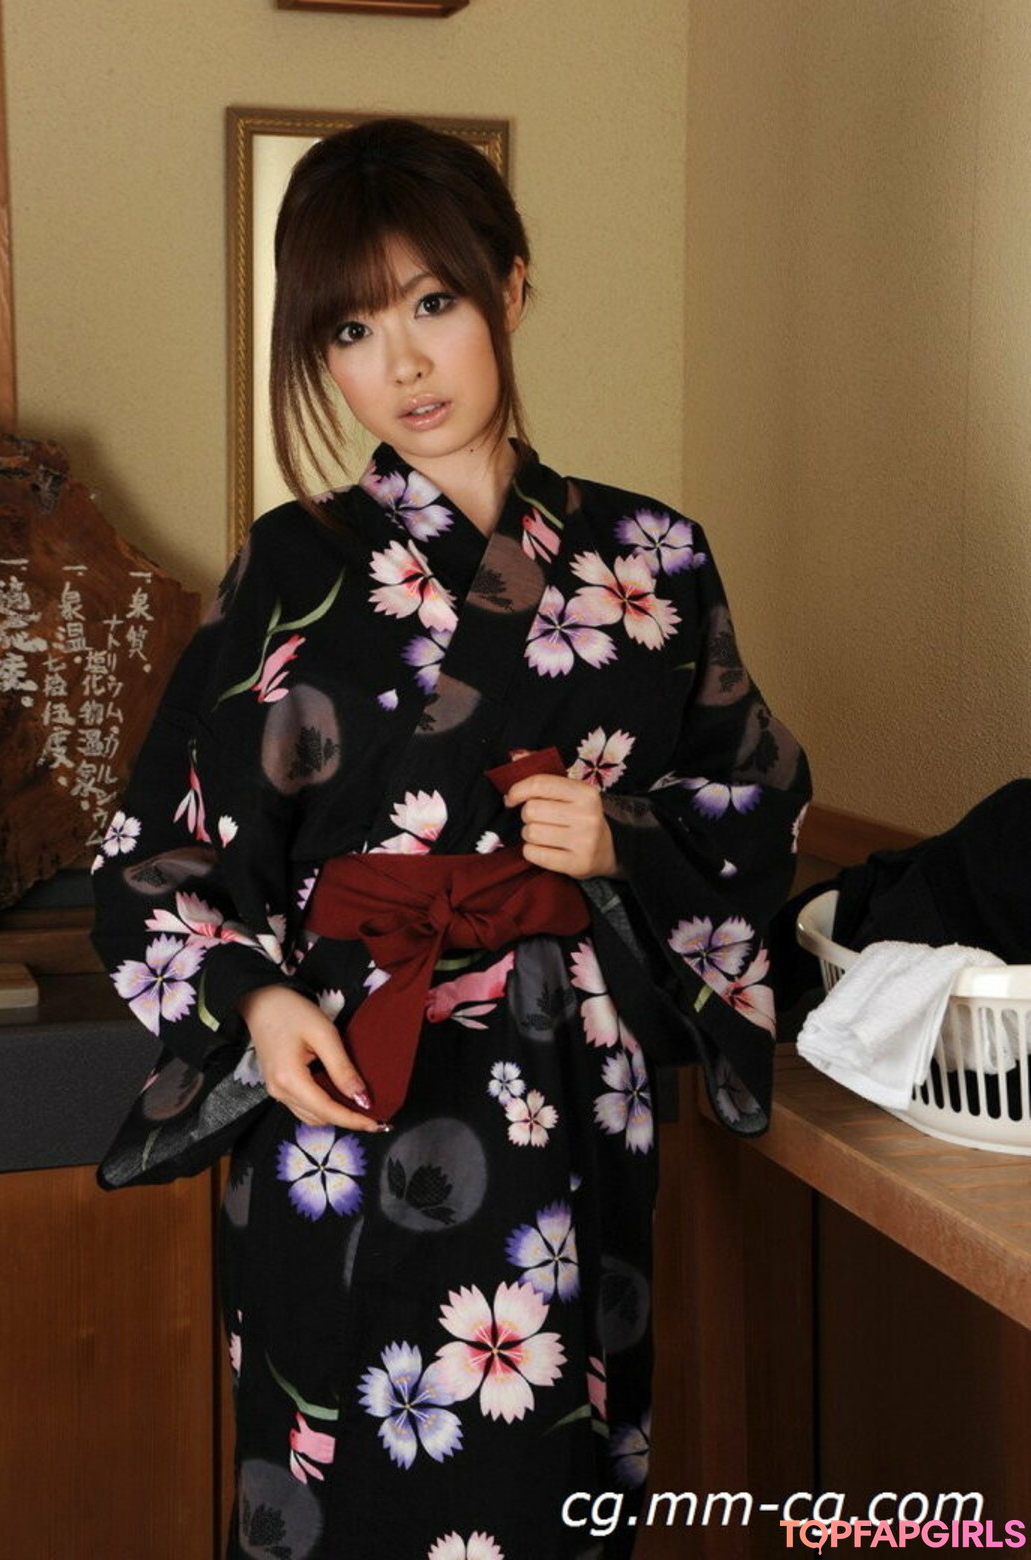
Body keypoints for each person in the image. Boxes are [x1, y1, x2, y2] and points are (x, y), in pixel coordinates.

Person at [92, 117, 810, 1560]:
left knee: (551, 1478)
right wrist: (260, 1002)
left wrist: (620, 841)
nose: (403, 365)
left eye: (433, 303)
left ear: (513, 289)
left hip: (564, 1097)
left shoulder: (656, 558)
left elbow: (755, 800)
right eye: (351, 330)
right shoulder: (292, 562)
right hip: (342, 1085)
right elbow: (160, 845)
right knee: (338, 1477)